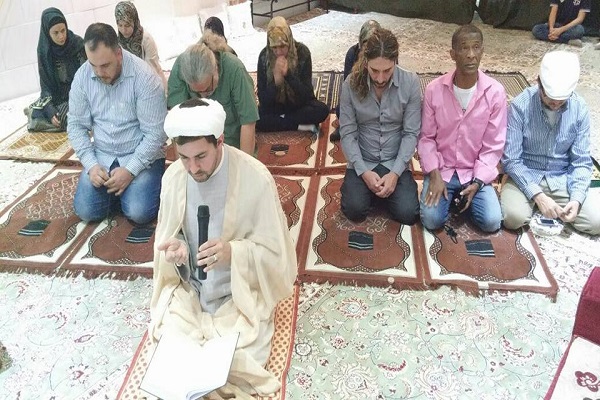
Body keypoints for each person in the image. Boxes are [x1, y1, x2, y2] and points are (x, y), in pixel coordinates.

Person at [150, 98, 297, 397]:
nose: (193, 168)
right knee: (167, 344)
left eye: (201, 156)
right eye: (184, 157)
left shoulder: (255, 178)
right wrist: (179, 251)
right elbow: (172, 235)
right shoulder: (174, 177)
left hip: (237, 297)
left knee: (242, 359)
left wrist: (234, 253)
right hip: (191, 293)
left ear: (220, 141)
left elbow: (277, 259)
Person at [68, 23, 167, 225]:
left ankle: (123, 192)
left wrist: (130, 170)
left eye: (105, 65)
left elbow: (156, 134)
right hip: (102, 156)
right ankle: (119, 193)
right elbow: (76, 126)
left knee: (139, 212)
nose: (98, 72)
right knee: (86, 210)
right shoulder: (82, 76)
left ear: (119, 54)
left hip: (141, 156)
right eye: (93, 65)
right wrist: (91, 165)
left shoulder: (144, 78)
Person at [418, 24, 507, 233]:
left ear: (482, 51)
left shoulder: (495, 93)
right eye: (464, 48)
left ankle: (465, 199)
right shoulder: (434, 90)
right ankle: (453, 199)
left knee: (492, 221)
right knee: (431, 220)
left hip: (475, 173)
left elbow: (494, 146)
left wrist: (478, 182)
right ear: (452, 54)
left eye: (476, 47)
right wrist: (434, 174)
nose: (470, 55)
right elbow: (426, 138)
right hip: (443, 171)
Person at [501, 50, 600, 235]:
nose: (555, 103)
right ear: (538, 82)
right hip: (526, 173)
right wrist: (539, 196)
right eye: (549, 98)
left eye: (561, 100)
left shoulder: (579, 108)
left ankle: (554, 206)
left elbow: (581, 161)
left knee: (597, 221)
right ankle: (536, 203)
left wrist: (576, 199)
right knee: (513, 217)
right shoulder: (520, 105)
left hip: (562, 176)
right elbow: (511, 160)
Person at [339, 28, 420, 224]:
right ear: (366, 62)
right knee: (354, 210)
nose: (380, 78)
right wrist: (363, 172)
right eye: (374, 70)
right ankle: (372, 193)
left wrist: (395, 173)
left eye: (387, 70)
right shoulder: (350, 84)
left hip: (394, 161)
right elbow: (348, 133)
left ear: (395, 61)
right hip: (363, 160)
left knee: (408, 214)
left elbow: (411, 133)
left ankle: (380, 193)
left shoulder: (410, 83)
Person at [167, 42, 257, 155]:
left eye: (208, 89)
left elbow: (248, 122)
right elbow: (177, 126)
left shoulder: (234, 69)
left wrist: (243, 163)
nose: (204, 97)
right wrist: (184, 164)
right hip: (197, 152)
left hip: (232, 148)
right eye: (197, 92)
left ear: (215, 70)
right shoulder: (180, 69)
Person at [256, 16, 328, 133]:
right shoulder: (264, 57)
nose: (279, 52)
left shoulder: (302, 52)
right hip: (274, 108)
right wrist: (276, 81)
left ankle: (280, 121)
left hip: (298, 106)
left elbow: (306, 95)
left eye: (282, 46)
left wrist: (288, 75)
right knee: (254, 118)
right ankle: (299, 126)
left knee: (321, 110)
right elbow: (263, 100)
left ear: (289, 41)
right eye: (274, 47)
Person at [26, 7, 87, 132]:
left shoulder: (77, 44)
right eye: (56, 33)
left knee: (88, 114)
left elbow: (88, 76)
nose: (61, 36)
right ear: (47, 33)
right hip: (60, 98)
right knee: (59, 116)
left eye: (63, 30)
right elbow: (46, 86)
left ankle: (43, 121)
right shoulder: (44, 52)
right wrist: (49, 109)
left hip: (81, 93)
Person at [330, 19, 381, 141]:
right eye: (366, 43)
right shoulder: (352, 53)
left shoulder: (386, 56)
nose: (369, 48)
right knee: (341, 109)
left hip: (379, 101)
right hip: (359, 98)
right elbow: (348, 87)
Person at [115, 1, 167, 92]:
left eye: (127, 25)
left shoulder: (146, 39)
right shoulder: (118, 42)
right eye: (120, 25)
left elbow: (153, 70)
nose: (123, 30)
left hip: (149, 82)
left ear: (134, 22)